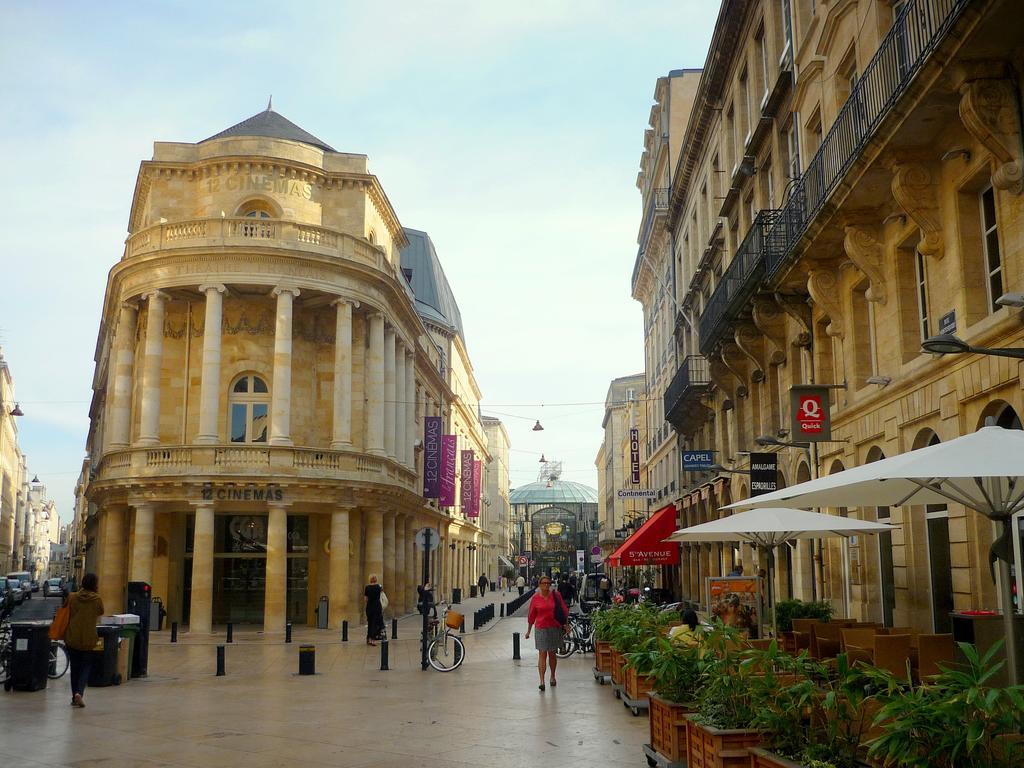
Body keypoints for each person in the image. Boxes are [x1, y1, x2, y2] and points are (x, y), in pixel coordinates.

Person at [65, 572, 104, 708]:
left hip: (72, 636)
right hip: (89, 638)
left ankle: (74, 696)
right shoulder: (97, 599)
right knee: (86, 667)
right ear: (95, 585)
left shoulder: (72, 597)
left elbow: (66, 610)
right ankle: (79, 693)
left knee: (74, 668)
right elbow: (100, 612)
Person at [524, 575, 569, 692]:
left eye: (548, 583)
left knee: (552, 653)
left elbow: (564, 610)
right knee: (542, 653)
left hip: (554, 627)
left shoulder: (556, 595)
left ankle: (553, 676)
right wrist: (528, 630)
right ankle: (542, 681)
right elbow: (531, 615)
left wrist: (566, 624)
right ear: (539, 585)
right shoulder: (535, 598)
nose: (546, 585)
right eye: (544, 583)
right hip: (541, 628)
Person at [364, 574, 385, 646]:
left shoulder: (367, 587)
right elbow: (382, 594)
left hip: (369, 607)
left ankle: (369, 638)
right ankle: (373, 639)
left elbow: (366, 599)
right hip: (377, 606)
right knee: (375, 623)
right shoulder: (379, 587)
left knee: (370, 623)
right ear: (376, 579)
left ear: (369, 579)